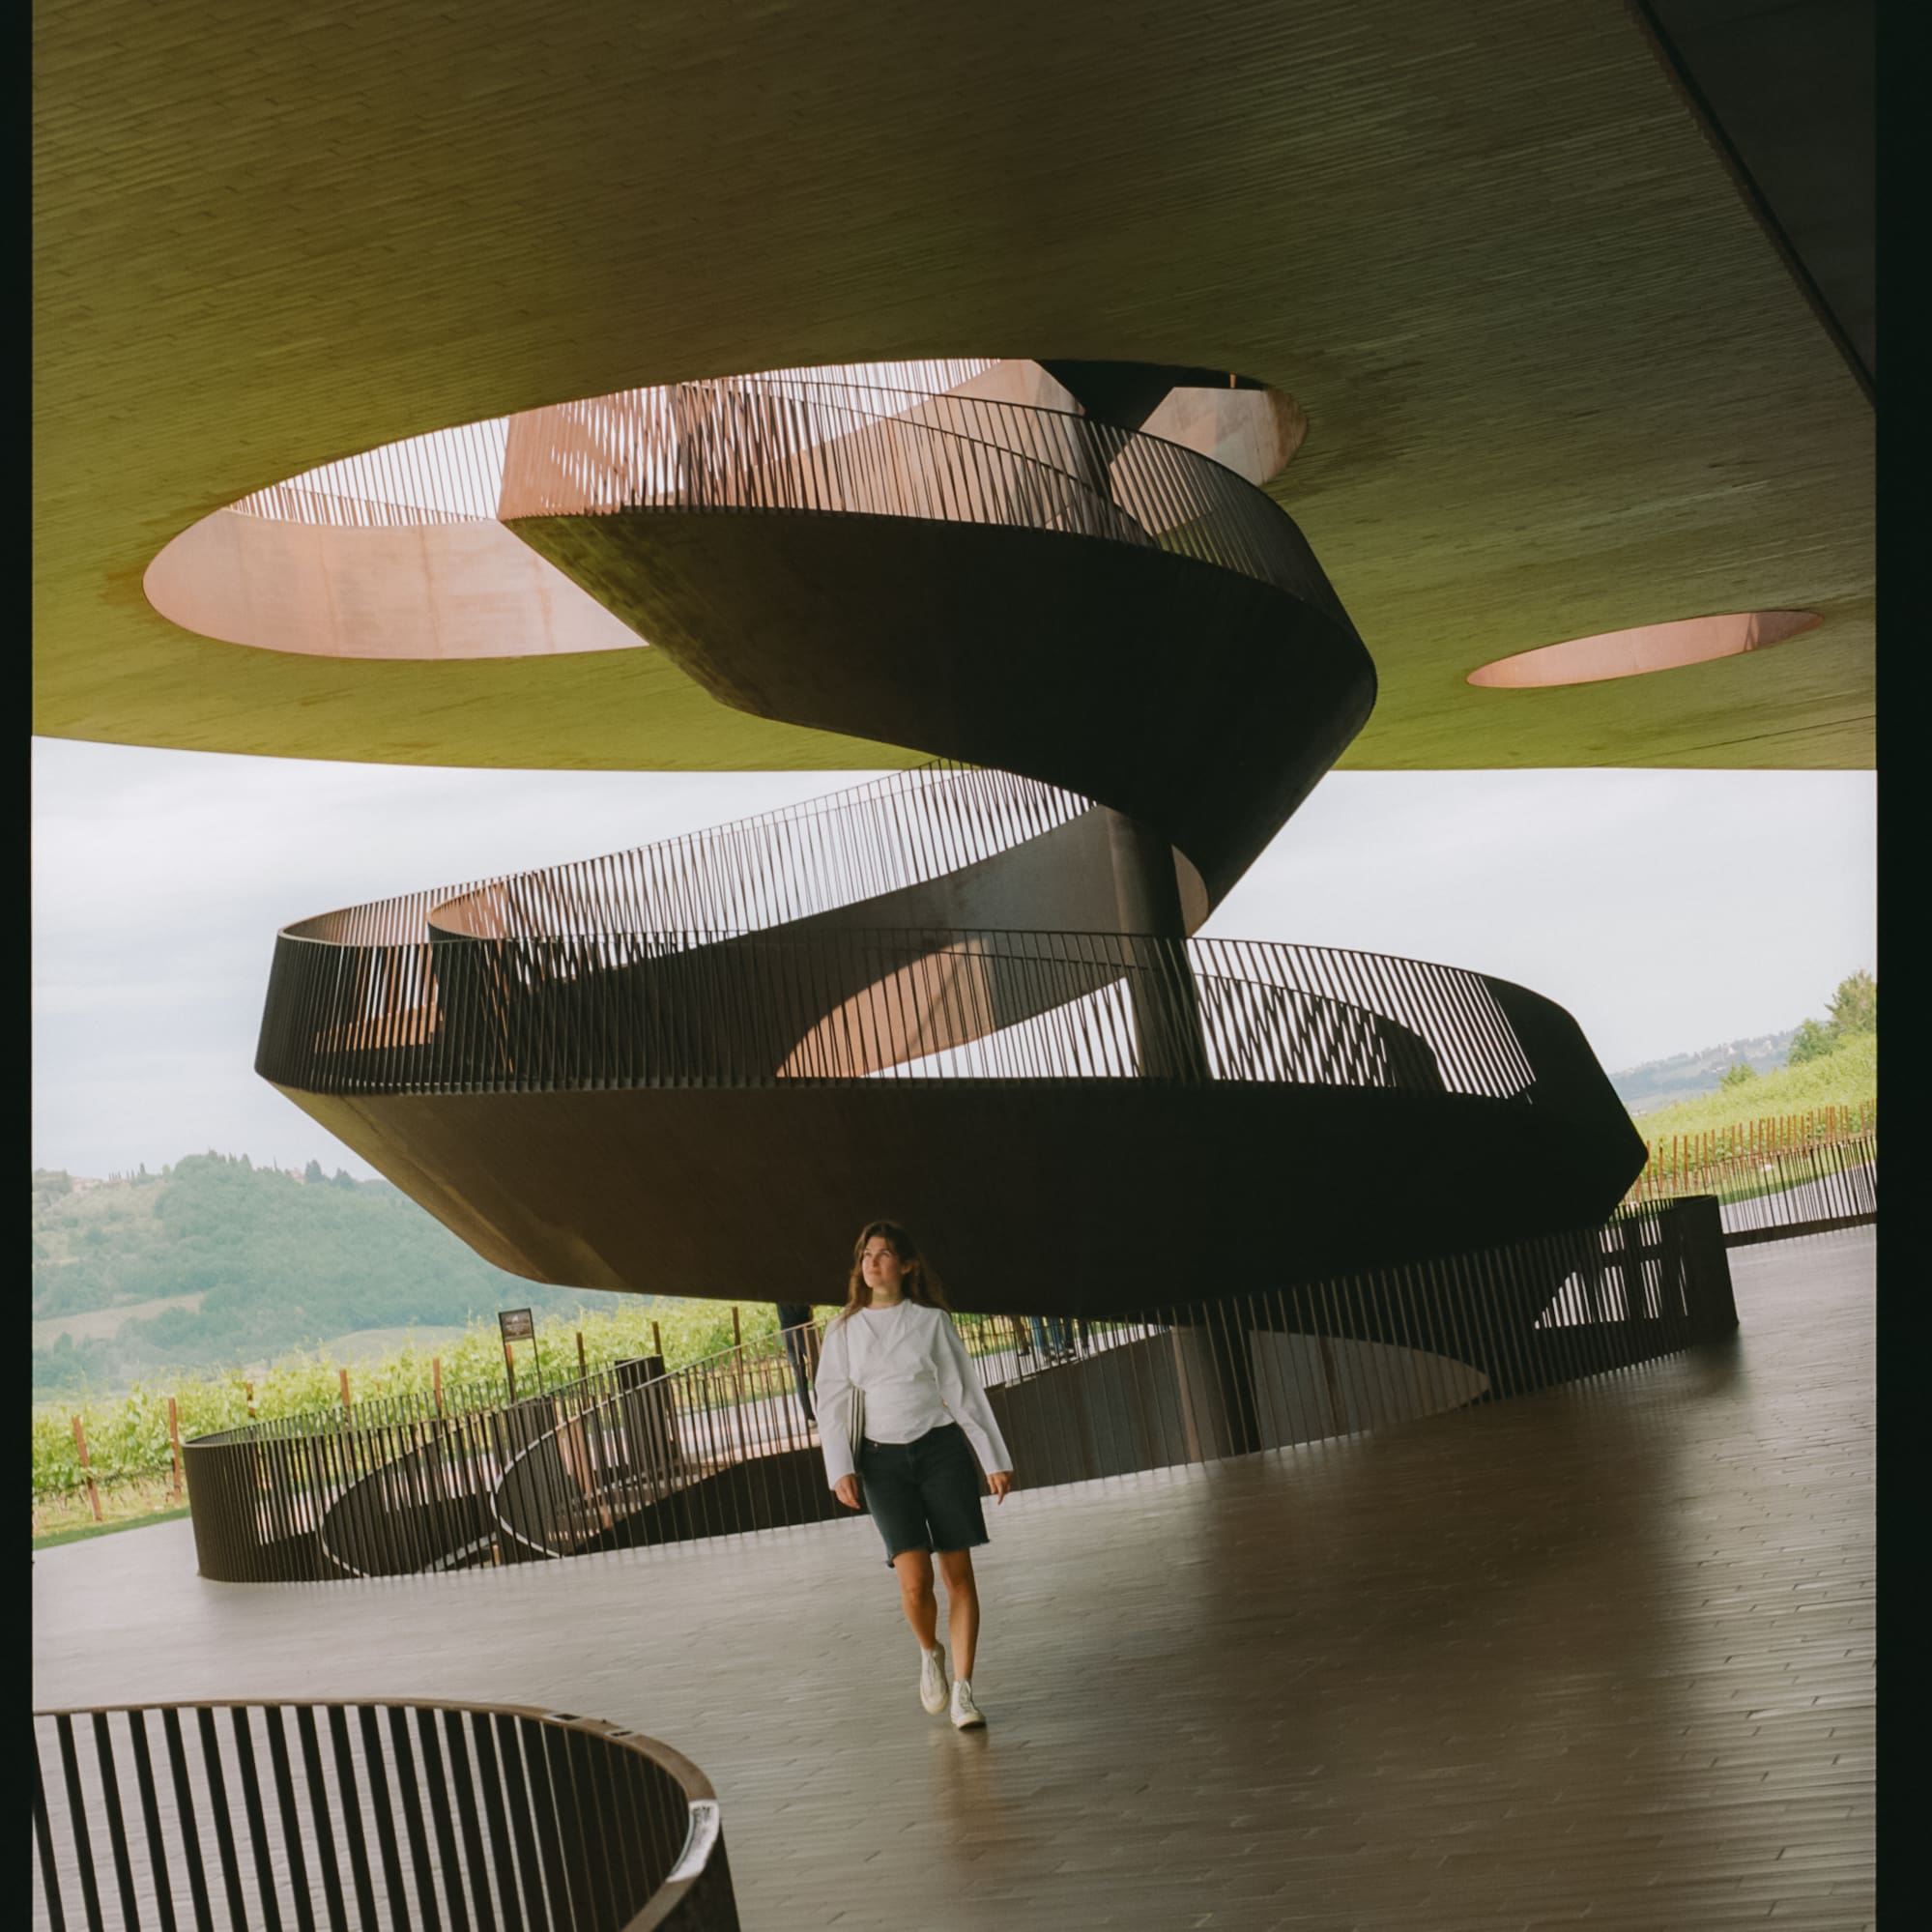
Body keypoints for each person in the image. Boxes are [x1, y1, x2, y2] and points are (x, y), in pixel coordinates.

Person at [815, 1220, 1015, 1731]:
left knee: (958, 1576)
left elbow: (964, 1391)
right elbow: (832, 1402)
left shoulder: (930, 1322)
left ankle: (965, 1692)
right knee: (914, 1585)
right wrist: (840, 1467)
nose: (873, 1262)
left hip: (941, 1452)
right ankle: (930, 1653)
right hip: (881, 1463)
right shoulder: (843, 1330)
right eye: (866, 1255)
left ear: (907, 1265)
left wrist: (993, 1459)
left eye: (884, 1254)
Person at [775, 1300, 819, 1425]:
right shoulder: (797, 1286)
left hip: (785, 1331)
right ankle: (823, 1410)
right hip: (802, 1328)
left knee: (799, 1375)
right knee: (817, 1368)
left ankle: (809, 1417)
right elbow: (810, 1304)